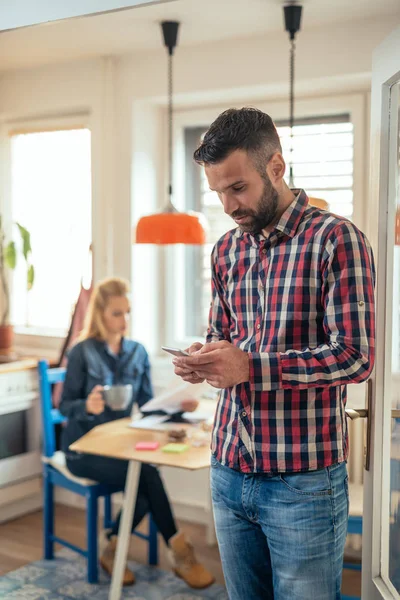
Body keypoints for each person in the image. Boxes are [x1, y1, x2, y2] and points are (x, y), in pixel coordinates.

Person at [173, 108, 375, 600]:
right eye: (218, 191)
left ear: (276, 168)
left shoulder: (336, 240)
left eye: (237, 187)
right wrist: (204, 360)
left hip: (301, 481)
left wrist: (250, 366)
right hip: (227, 467)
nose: (227, 204)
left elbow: (354, 356)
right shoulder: (226, 251)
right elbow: (223, 335)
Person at [59, 277, 214, 589]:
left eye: (127, 312)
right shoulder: (81, 352)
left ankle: (114, 547)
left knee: (142, 479)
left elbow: (146, 405)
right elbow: (64, 407)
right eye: (117, 313)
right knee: (146, 476)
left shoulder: (137, 352)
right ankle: (180, 552)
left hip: (120, 445)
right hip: (82, 449)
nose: (124, 320)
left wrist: (177, 408)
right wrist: (86, 406)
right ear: (100, 314)